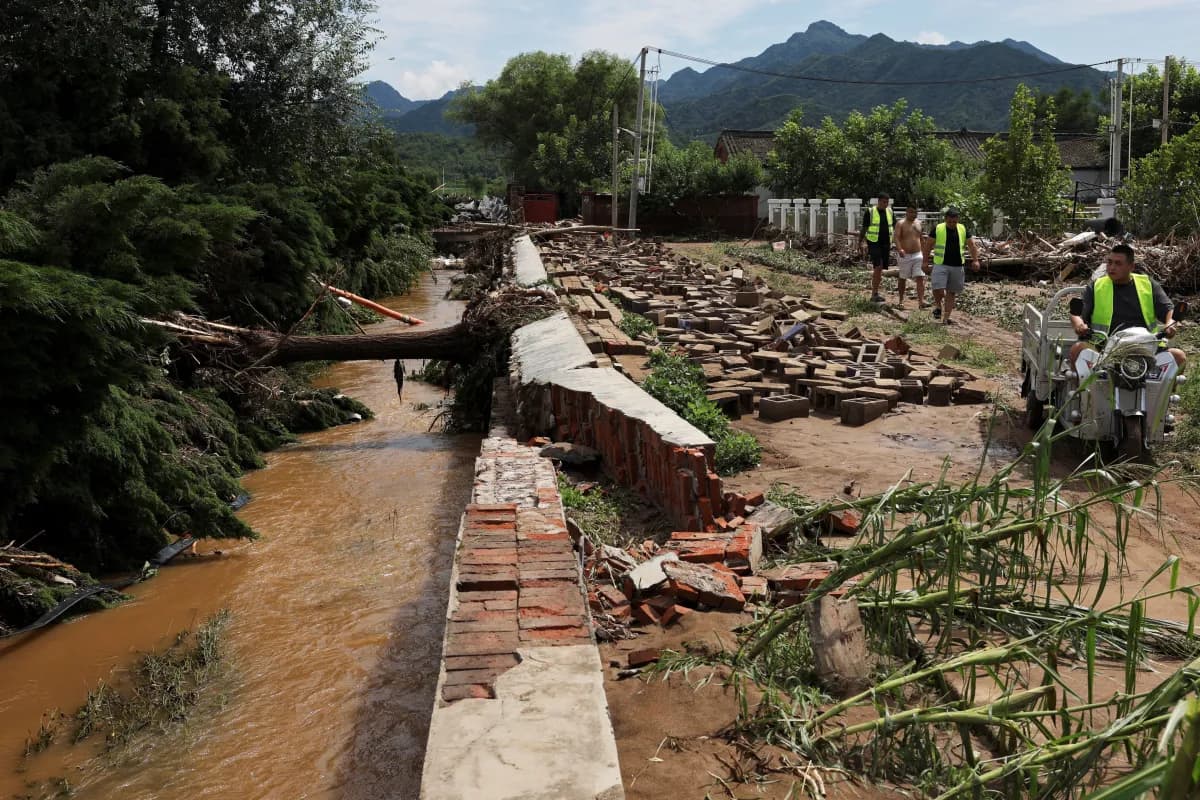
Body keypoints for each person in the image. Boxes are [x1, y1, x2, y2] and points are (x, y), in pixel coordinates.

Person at [1068, 243, 1185, 368]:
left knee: (1178, 357)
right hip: (1103, 348)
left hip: (1146, 346)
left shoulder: (1147, 284)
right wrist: (1078, 324)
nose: (1111, 267)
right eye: (1109, 262)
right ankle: (1080, 387)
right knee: (1078, 350)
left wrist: (1170, 324)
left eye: (1118, 263)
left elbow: (1169, 309)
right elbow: (1077, 313)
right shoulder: (1096, 286)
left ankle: (1161, 388)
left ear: (1131, 266)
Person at [921, 207, 980, 325]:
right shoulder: (938, 228)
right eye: (950, 221)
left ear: (957, 220)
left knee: (951, 292)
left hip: (957, 266)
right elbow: (928, 245)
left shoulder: (962, 228)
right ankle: (938, 306)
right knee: (938, 288)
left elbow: (972, 245)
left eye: (954, 221)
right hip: (940, 264)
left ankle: (946, 318)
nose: (952, 224)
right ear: (945, 219)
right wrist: (925, 261)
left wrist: (975, 260)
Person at [858, 193, 894, 303]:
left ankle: (876, 292)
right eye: (883, 202)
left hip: (886, 243)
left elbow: (895, 226)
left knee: (881, 268)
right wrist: (860, 242)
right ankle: (874, 293)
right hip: (874, 242)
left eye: (887, 202)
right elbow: (864, 228)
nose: (885, 204)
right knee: (877, 267)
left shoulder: (890, 212)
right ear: (878, 201)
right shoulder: (870, 212)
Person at [894, 203, 926, 310]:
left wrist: (925, 251)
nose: (913, 214)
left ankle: (921, 302)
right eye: (911, 212)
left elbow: (921, 238)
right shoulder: (900, 223)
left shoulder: (919, 223)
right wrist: (900, 249)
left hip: (918, 254)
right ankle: (901, 300)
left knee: (920, 277)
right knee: (903, 278)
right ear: (907, 212)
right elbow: (897, 238)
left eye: (915, 212)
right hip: (905, 255)